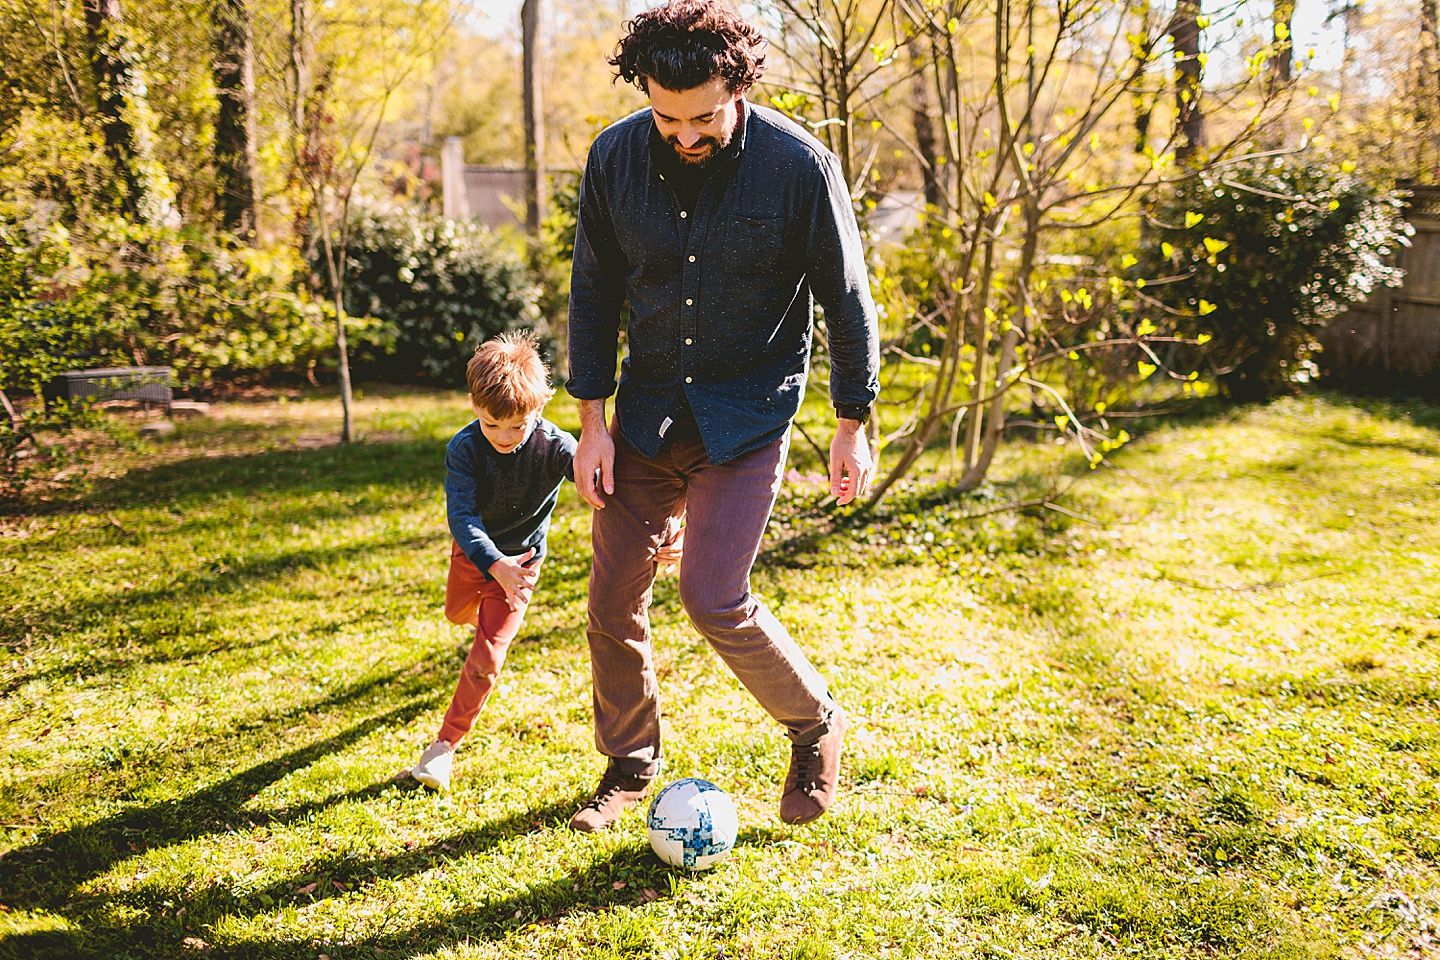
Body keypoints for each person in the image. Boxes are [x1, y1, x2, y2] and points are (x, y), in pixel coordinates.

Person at [565, 0, 880, 832]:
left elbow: (845, 298)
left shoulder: (796, 165)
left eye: (703, 115)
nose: (684, 133)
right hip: (646, 416)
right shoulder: (614, 159)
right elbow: (593, 294)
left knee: (712, 597)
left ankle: (814, 724)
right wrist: (591, 421)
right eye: (666, 116)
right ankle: (629, 761)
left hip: (747, 416)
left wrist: (853, 423)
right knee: (611, 598)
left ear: (739, 86)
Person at [410, 332, 579, 792]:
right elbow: (461, 518)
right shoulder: (463, 449)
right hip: (474, 555)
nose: (505, 437)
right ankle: (478, 617)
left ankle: (443, 747)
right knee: (456, 614)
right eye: (492, 425)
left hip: (520, 567)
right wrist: (492, 563)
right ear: (473, 406)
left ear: (540, 407)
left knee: (486, 657)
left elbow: (597, 481)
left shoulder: (556, 446)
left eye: (518, 426)